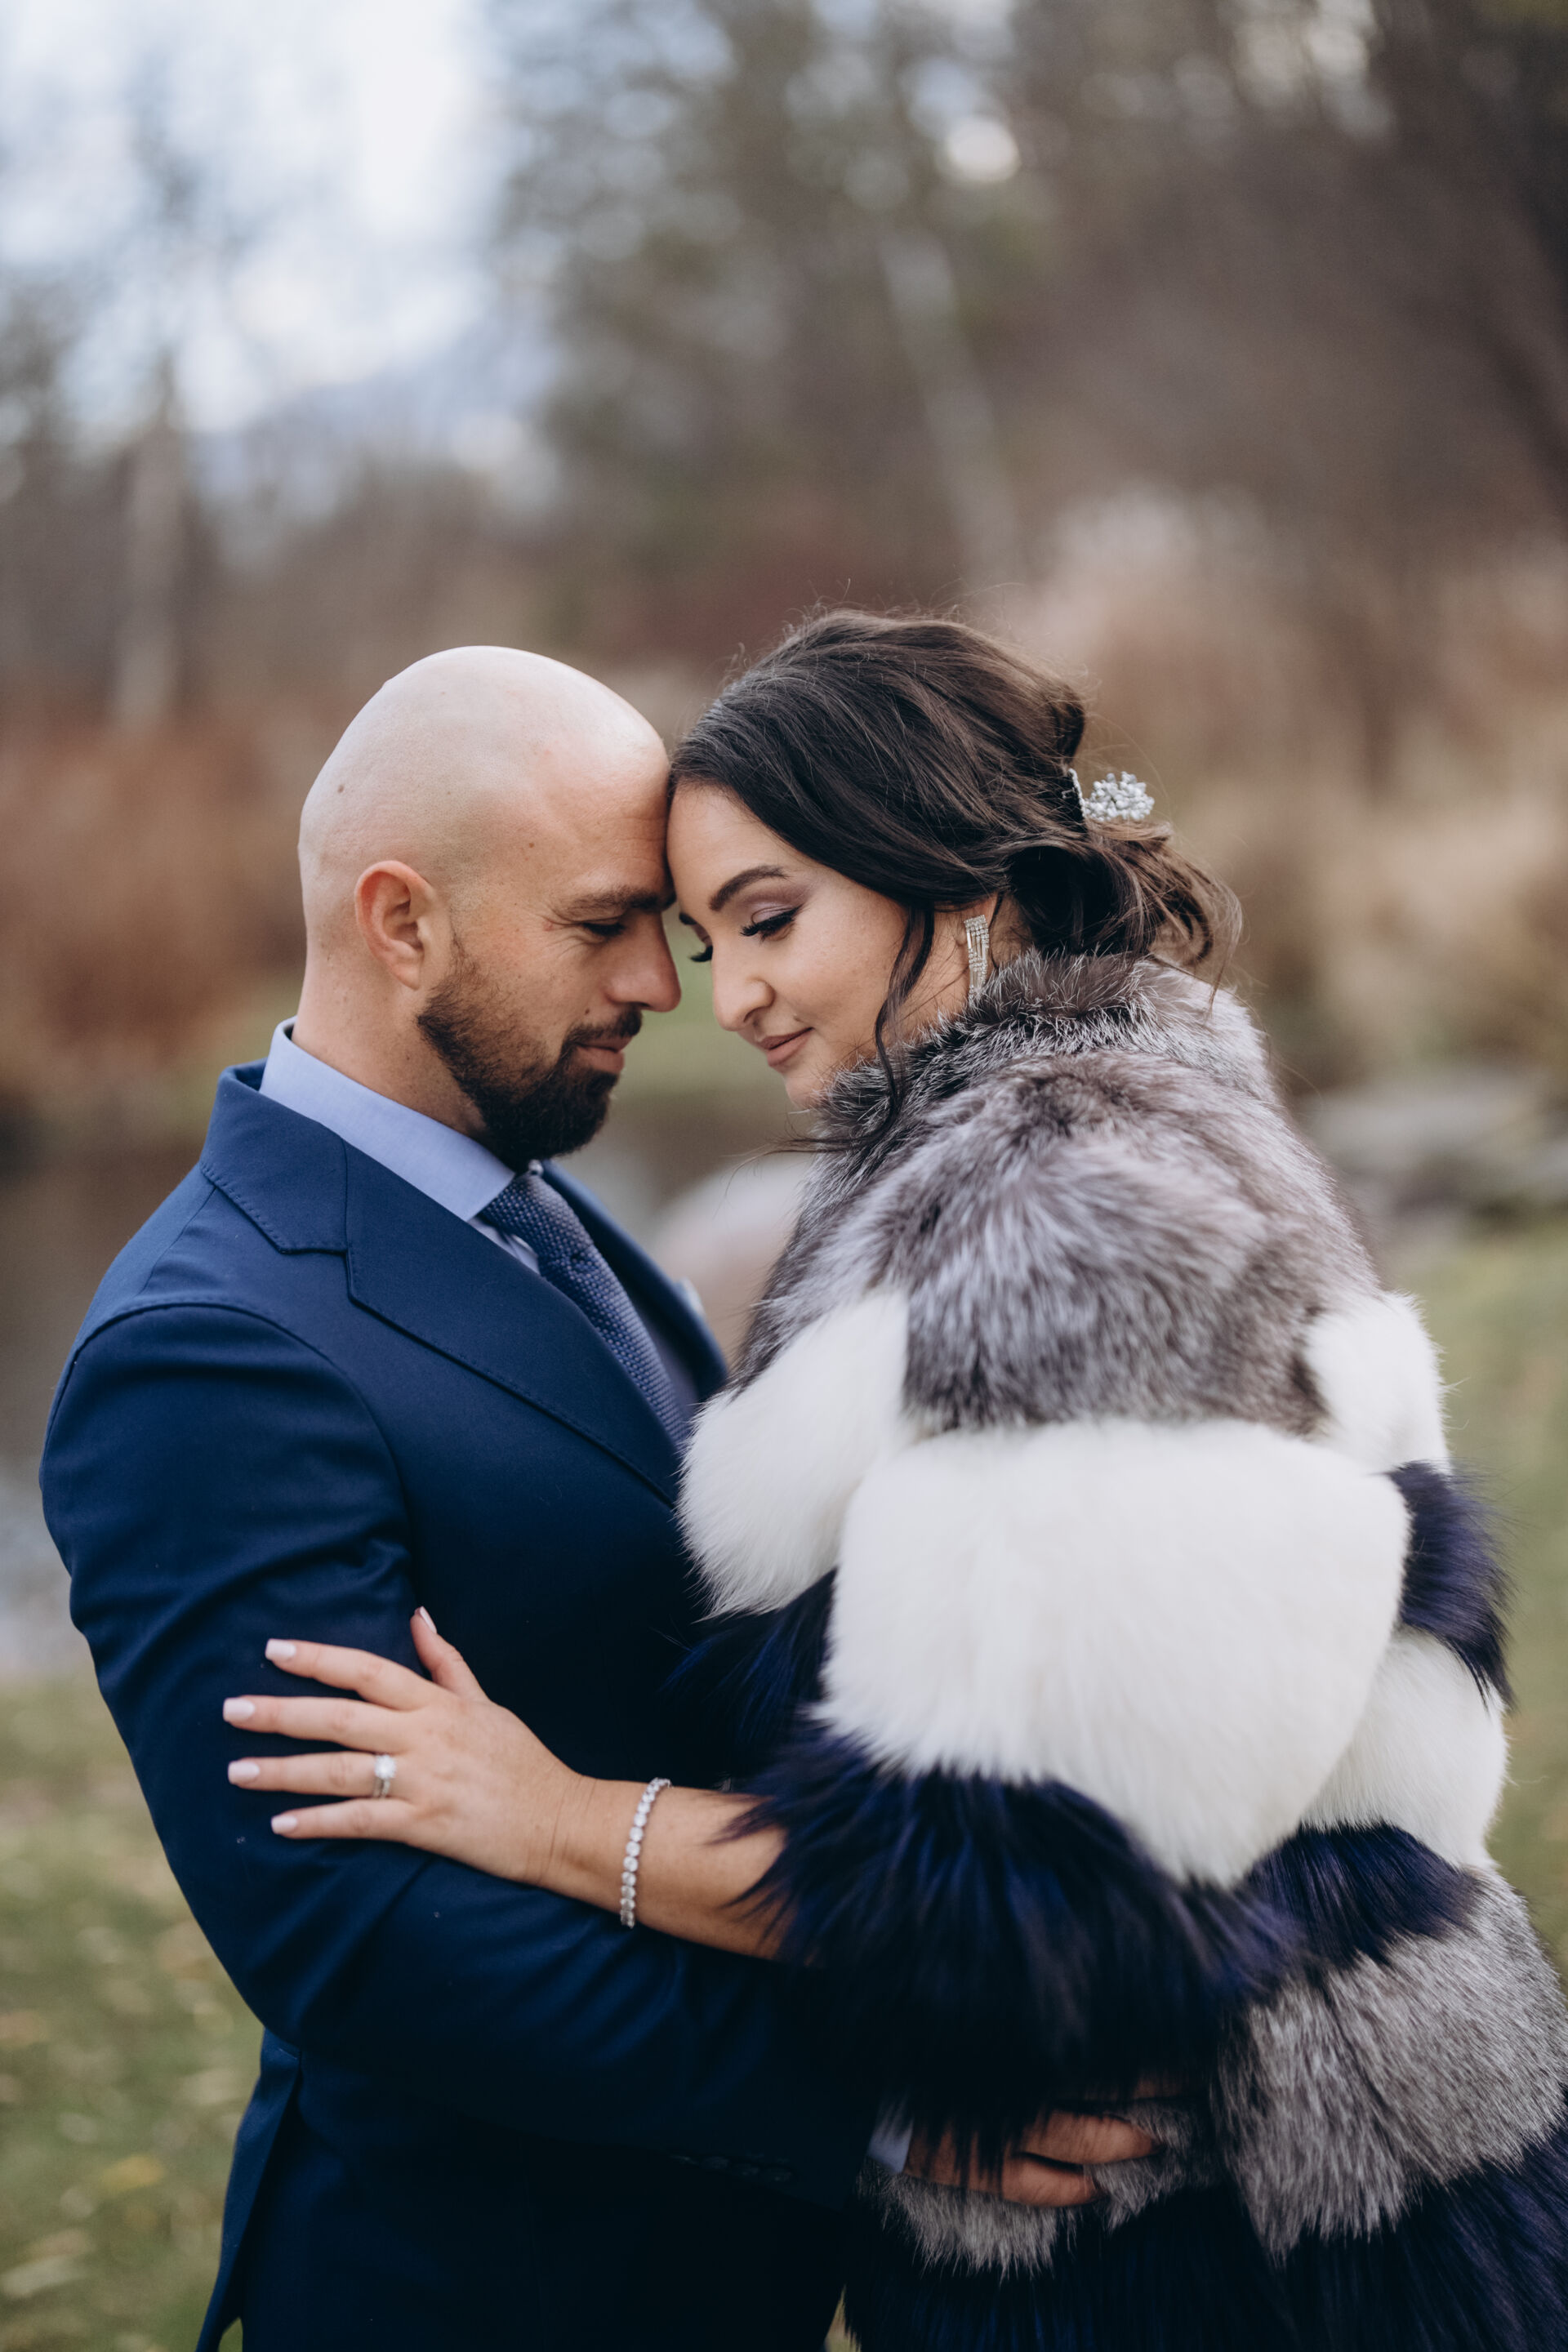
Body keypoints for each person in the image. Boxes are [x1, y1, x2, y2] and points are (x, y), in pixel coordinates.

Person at [238, 612, 1568, 2350]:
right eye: (702, 937)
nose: (727, 995)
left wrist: (550, 1816)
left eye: (769, 918)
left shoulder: (1062, 1203)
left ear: (967, 881)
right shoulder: (1061, 1133)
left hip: (1247, 2234)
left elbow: (1018, 1891)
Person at [39, 643, 1145, 2352]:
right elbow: (353, 1933)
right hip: (486, 2288)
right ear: (403, 924)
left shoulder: (534, 1195)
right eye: (603, 925)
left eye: (674, 928)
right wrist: (881, 2108)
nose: (660, 984)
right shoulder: (207, 1349)